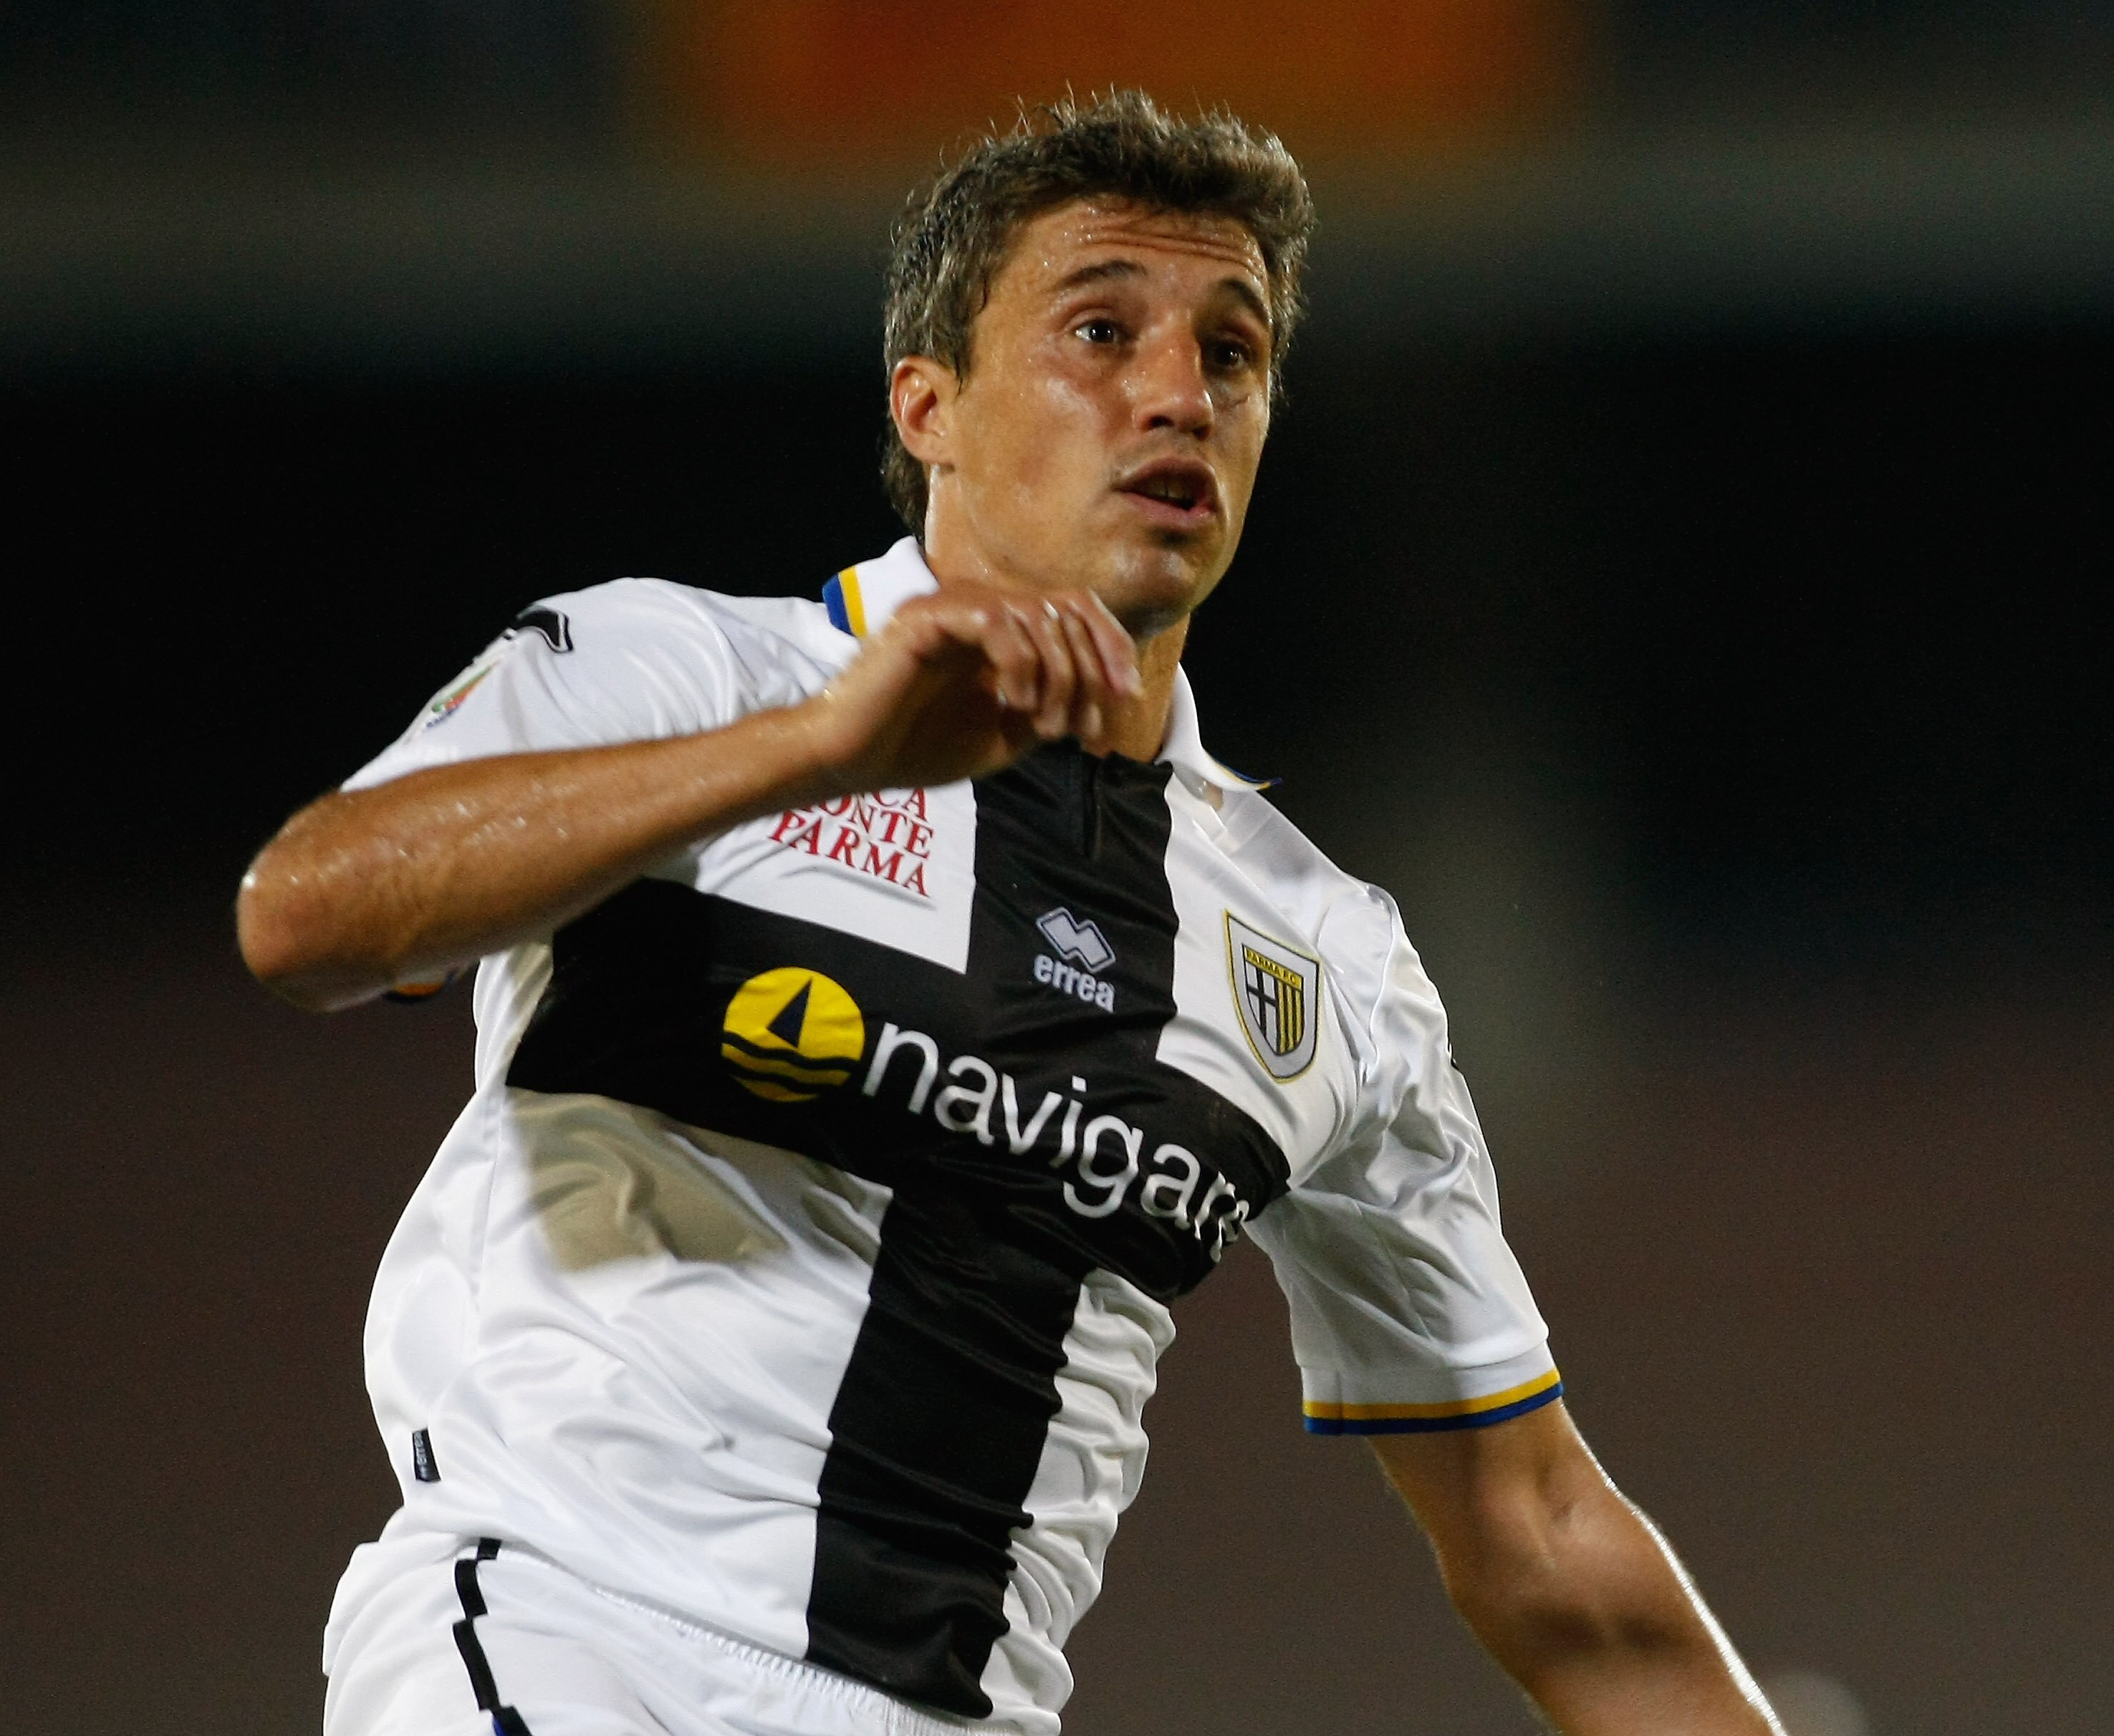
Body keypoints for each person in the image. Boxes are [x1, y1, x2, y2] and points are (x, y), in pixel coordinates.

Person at [240, 92, 1782, 1736]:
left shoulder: (1325, 962)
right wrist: (818, 750)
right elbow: (311, 913)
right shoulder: (683, 672)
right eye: (1102, 330)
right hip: (571, 1638)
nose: (1180, 392)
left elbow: (1538, 1533)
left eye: (1234, 353)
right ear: (931, 405)